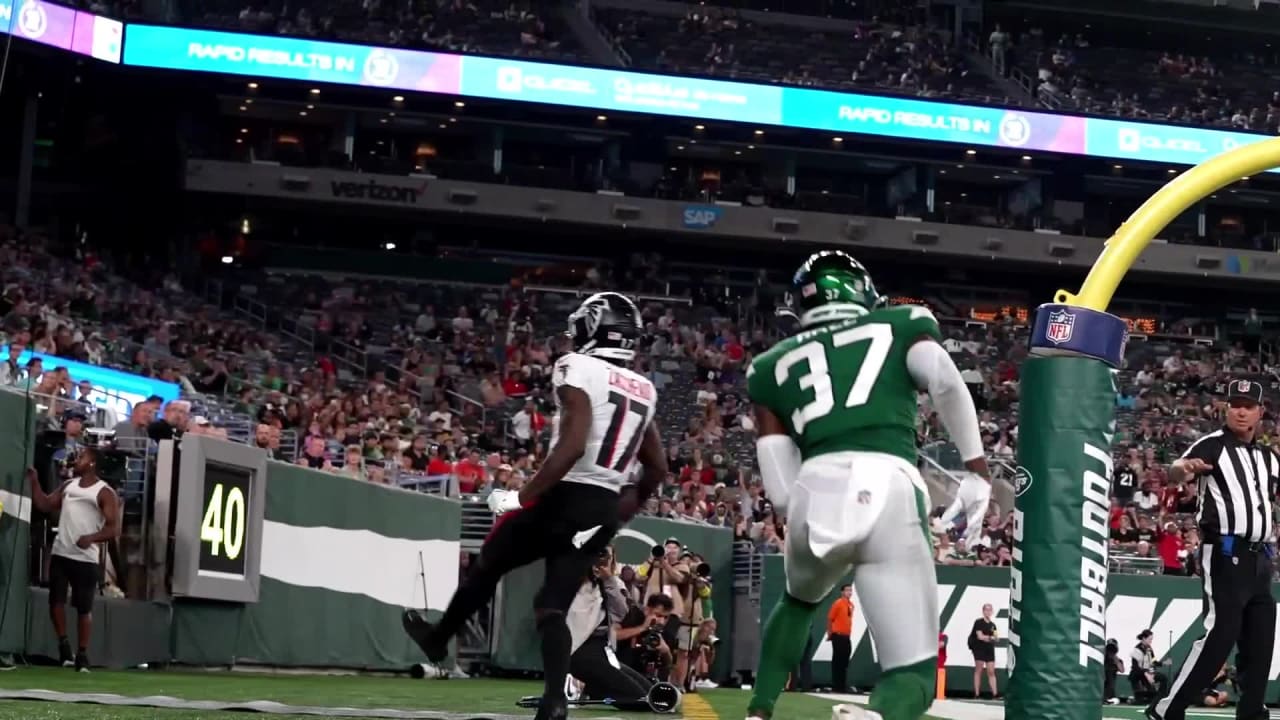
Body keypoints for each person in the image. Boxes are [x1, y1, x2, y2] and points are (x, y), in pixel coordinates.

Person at [744, 251, 988, 720]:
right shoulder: (902, 322)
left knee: (797, 600)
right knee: (912, 670)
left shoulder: (769, 365)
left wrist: (800, 513)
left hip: (812, 488)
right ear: (864, 292)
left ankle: (759, 710)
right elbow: (945, 381)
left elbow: (776, 474)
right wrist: (976, 468)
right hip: (887, 481)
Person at [402, 292, 668, 720]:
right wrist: (619, 512)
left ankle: (439, 638)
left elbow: (572, 445)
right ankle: (554, 701)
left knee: (490, 559)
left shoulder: (576, 366)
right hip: (602, 505)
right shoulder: (645, 388)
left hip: (566, 494)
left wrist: (520, 496)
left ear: (591, 327)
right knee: (552, 605)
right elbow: (657, 467)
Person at [1148, 379, 1278, 720]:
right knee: (1221, 634)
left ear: (1260, 412)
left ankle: (1252, 713)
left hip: (1261, 559)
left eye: (1248, 405)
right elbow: (1178, 469)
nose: (1240, 410)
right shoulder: (1213, 446)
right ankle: (1166, 709)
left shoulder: (1268, 458)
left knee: (1261, 642)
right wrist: (1182, 470)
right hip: (1224, 553)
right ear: (1225, 408)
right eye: (1234, 403)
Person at [27, 447, 120, 672]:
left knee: (83, 608)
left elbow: (113, 529)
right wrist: (34, 482)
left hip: (86, 559)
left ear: (92, 463)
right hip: (61, 551)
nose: (76, 460)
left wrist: (91, 538)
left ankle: (83, 654)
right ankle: (64, 644)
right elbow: (45, 504)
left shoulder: (104, 492)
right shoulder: (69, 485)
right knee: (55, 601)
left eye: (82, 457)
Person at [827, 584, 855, 694]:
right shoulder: (838, 603)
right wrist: (830, 634)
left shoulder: (851, 605)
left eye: (850, 590)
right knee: (838, 661)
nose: (849, 592)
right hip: (838, 635)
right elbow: (830, 618)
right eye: (847, 590)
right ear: (842, 592)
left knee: (844, 660)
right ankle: (836, 686)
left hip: (846, 635)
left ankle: (842, 685)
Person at [968, 603, 998, 699]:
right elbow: (980, 636)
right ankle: (977, 693)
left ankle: (995, 693)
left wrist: (989, 638)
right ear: (983, 611)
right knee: (979, 670)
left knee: (991, 671)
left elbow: (996, 638)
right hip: (979, 649)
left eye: (990, 610)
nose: (988, 612)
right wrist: (990, 637)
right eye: (986, 610)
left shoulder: (993, 625)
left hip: (989, 649)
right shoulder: (979, 622)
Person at [1131, 630, 1169, 705]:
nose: (1151, 641)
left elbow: (1154, 661)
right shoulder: (1137, 650)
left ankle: (1161, 697)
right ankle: (1139, 697)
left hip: (1149, 672)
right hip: (1138, 674)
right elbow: (1135, 667)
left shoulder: (1149, 649)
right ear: (1144, 639)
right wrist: (1146, 674)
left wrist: (1163, 663)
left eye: (1152, 639)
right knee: (1141, 700)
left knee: (1163, 678)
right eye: (1150, 639)